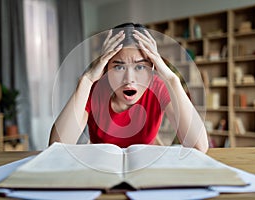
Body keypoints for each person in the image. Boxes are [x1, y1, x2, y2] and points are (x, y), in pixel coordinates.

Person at [49, 23, 208, 153]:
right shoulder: (94, 89)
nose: (129, 80)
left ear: (152, 68)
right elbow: (57, 146)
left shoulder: (158, 87)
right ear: (106, 68)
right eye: (119, 67)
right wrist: (86, 80)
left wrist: (172, 79)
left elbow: (198, 147)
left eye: (140, 67)